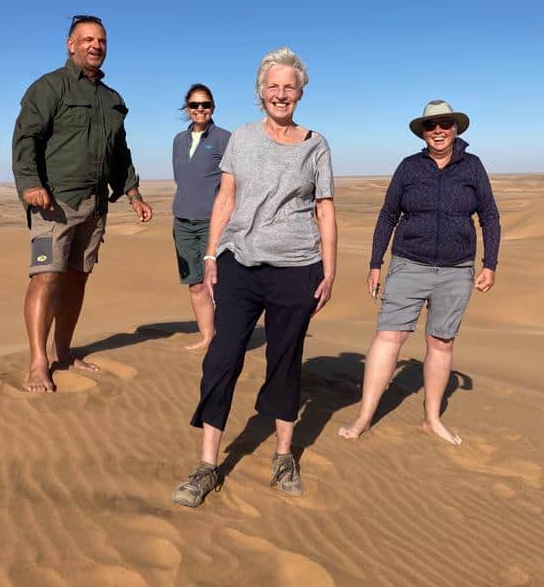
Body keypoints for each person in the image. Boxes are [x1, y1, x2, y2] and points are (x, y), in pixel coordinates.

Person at [172, 47, 336, 508]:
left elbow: (324, 208)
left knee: (285, 361)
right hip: (239, 265)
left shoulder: (315, 144)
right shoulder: (240, 139)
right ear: (260, 92)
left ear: (301, 92)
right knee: (221, 359)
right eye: (273, 86)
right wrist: (209, 255)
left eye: (289, 86)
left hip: (297, 268)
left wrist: (330, 268)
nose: (281, 94)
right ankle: (207, 464)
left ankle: (284, 456)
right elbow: (225, 197)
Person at [338, 100, 499, 444]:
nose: (438, 130)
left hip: (456, 270)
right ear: (422, 132)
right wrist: (375, 263)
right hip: (409, 263)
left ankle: (431, 419)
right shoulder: (409, 168)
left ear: (455, 127)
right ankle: (365, 416)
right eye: (431, 126)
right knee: (389, 336)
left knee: (441, 342)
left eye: (444, 123)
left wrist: (490, 264)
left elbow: (489, 216)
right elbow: (387, 215)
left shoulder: (472, 167)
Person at [12, 15, 154, 393]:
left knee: (77, 279)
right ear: (70, 44)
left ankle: (63, 350)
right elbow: (26, 139)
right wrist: (30, 184)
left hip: (94, 206)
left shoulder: (112, 100)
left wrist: (133, 193)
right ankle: (38, 361)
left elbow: (120, 154)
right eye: (87, 39)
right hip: (53, 203)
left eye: (101, 40)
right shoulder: (48, 88)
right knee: (46, 276)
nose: (95, 45)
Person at [171, 84, 231, 350]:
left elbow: (235, 183)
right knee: (195, 284)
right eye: (194, 105)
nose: (200, 109)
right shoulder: (179, 140)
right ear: (187, 108)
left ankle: (227, 338)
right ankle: (208, 337)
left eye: (205, 104)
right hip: (182, 221)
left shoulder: (224, 138)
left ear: (212, 108)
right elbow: (181, 179)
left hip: (213, 222)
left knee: (216, 283)